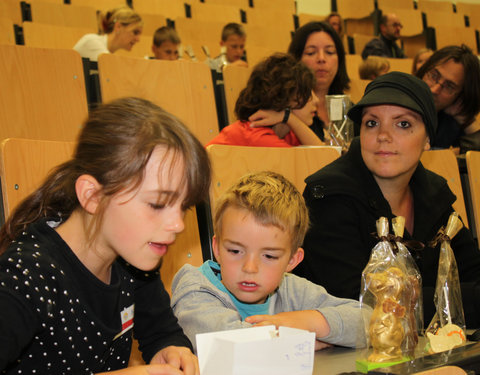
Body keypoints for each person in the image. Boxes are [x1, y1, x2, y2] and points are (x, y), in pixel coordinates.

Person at [0, 97, 212, 374]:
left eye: (183, 207)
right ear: (93, 196)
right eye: (157, 204)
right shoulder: (26, 277)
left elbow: (161, 331)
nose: (178, 224)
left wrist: (172, 349)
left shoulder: (134, 257)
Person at [294, 71, 480, 329]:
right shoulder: (328, 195)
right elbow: (361, 305)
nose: (383, 135)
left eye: (402, 124)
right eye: (372, 123)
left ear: (427, 139)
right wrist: (461, 302)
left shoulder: (435, 196)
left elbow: (473, 272)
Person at [171, 171, 364, 353]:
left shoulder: (292, 290)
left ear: (292, 260)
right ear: (217, 249)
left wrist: (310, 321)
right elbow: (233, 347)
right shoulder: (194, 290)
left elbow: (373, 322)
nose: (250, 268)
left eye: (269, 256)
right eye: (235, 251)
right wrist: (310, 341)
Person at [205, 53, 324, 148]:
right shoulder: (259, 137)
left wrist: (290, 118)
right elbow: (322, 164)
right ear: (284, 99)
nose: (316, 100)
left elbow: (323, 157)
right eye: (308, 94)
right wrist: (288, 116)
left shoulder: (287, 133)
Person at [288, 21, 350, 141]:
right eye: (311, 52)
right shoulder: (288, 109)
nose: (321, 59)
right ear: (296, 59)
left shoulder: (351, 110)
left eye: (329, 52)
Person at [416, 44, 480, 153]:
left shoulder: (450, 122)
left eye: (449, 86)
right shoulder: (394, 104)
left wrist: (465, 120)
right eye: (434, 76)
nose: (434, 90)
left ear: (460, 96)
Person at [74, 6, 143, 62]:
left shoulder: (107, 53)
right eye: (135, 32)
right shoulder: (91, 41)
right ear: (118, 27)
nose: (138, 39)